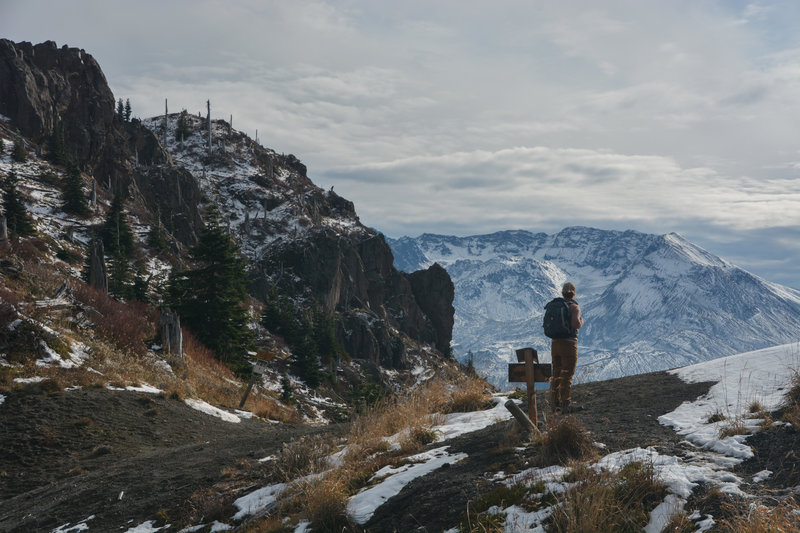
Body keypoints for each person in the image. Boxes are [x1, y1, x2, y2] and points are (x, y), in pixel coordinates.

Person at [550, 282, 584, 414]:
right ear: (574, 293)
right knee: (567, 374)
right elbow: (575, 324)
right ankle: (566, 404)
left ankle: (554, 404)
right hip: (569, 344)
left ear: (562, 292)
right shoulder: (574, 307)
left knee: (556, 373)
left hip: (555, 344)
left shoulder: (556, 306)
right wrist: (581, 321)